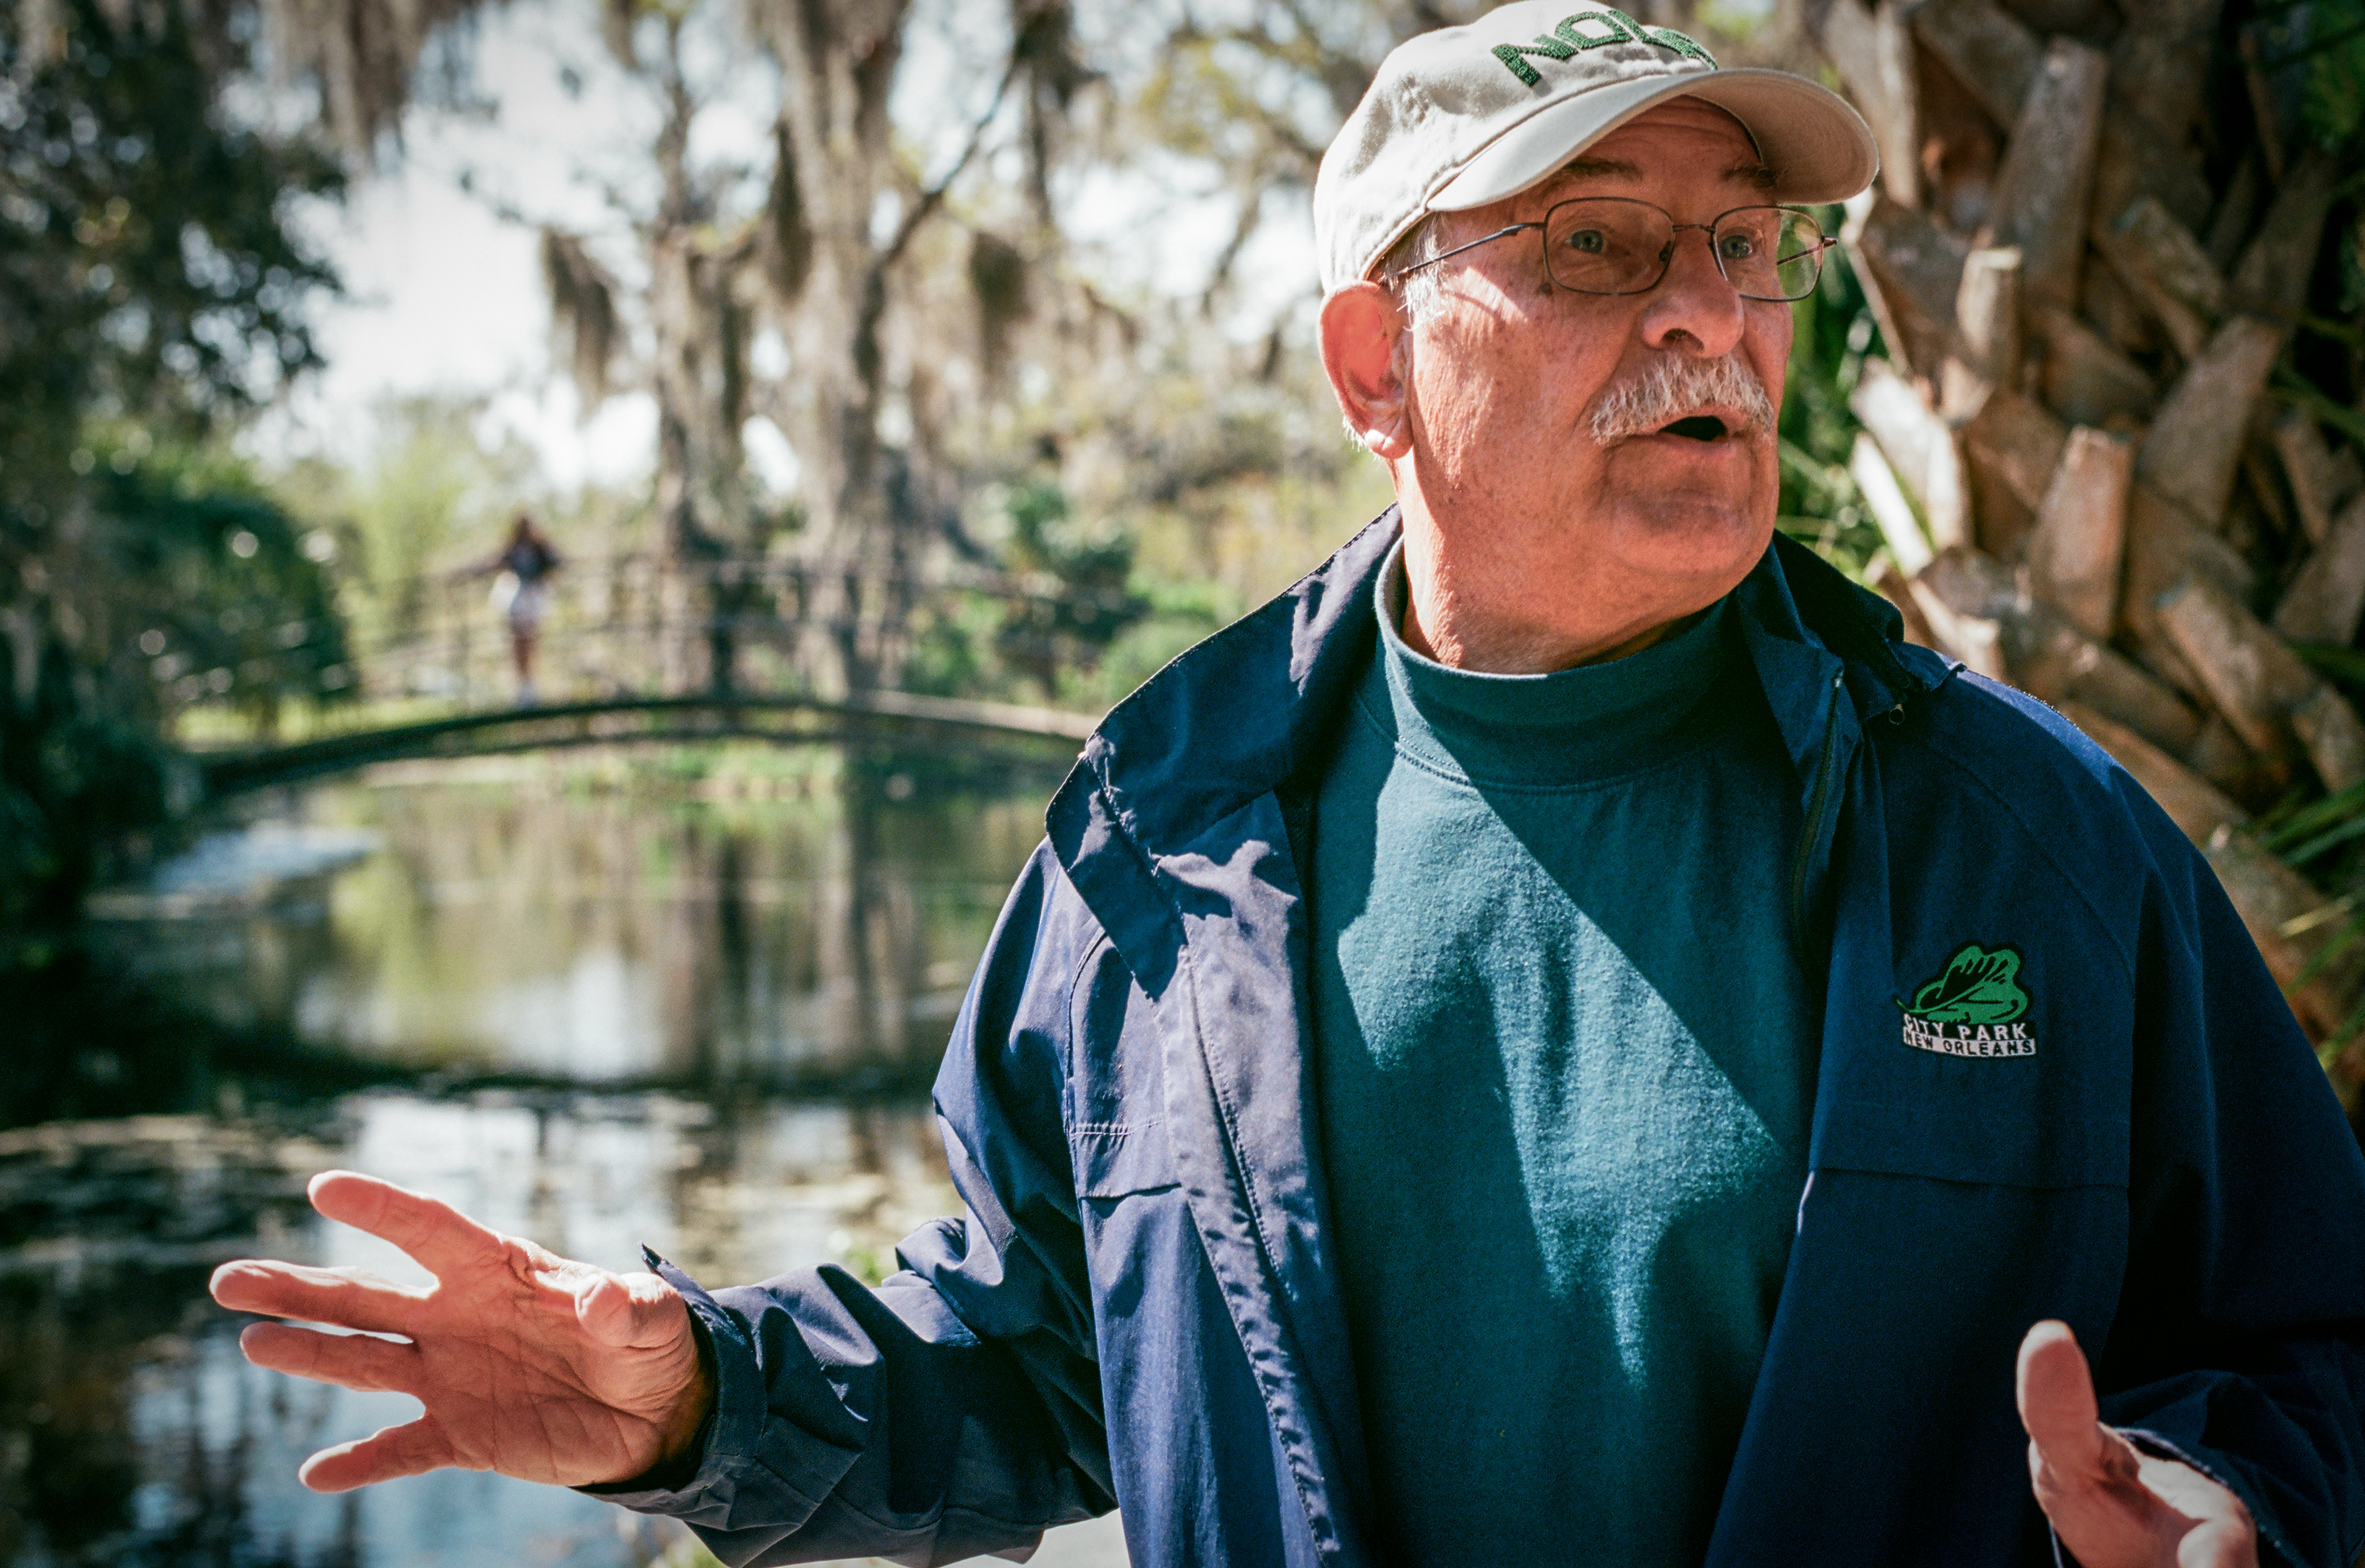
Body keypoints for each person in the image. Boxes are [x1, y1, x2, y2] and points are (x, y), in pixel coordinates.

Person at [209, 7, 2365, 1566]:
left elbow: (2309, 1327)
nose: (1708, 313)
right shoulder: (1162, 837)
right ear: (1371, 369)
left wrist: (2230, 1497)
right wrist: (693, 1398)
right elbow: (1049, 1350)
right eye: (1598, 247)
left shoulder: (2034, 838)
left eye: (1743, 247)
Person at [479, 511, 562, 704]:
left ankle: (530, 686)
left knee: (530, 642)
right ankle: (523, 687)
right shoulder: (513, 548)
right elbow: (496, 562)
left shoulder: (540, 547)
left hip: (533, 600)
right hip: (517, 600)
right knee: (518, 642)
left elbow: (556, 562)